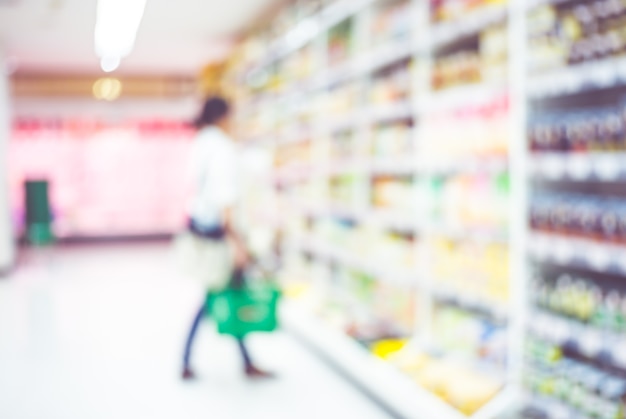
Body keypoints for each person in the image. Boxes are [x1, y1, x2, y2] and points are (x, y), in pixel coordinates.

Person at [181, 96, 272, 380]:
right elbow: (225, 199)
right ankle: (188, 360)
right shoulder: (221, 147)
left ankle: (242, 360)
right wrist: (238, 243)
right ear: (223, 117)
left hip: (203, 229)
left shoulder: (200, 143)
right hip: (222, 233)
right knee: (218, 294)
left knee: (222, 293)